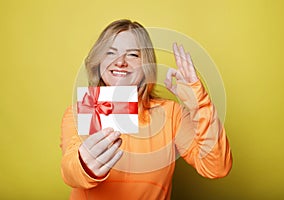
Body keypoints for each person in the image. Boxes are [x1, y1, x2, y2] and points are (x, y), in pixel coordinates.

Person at [60, 19, 232, 200]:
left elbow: (217, 167)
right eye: (110, 52)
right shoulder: (78, 113)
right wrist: (84, 164)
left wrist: (198, 100)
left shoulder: (171, 114)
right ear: (99, 62)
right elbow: (71, 172)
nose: (120, 62)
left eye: (133, 55)